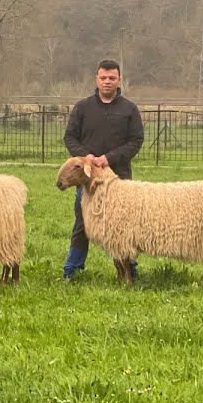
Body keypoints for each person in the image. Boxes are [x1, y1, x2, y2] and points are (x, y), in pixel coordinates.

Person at [62, 58, 145, 281]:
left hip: (119, 180)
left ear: (119, 80)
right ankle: (72, 269)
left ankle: (130, 270)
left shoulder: (129, 109)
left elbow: (136, 140)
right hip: (87, 179)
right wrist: (85, 156)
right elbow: (69, 137)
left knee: (124, 226)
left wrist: (109, 158)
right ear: (96, 79)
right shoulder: (83, 107)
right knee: (83, 222)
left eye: (112, 78)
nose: (107, 82)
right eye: (103, 78)